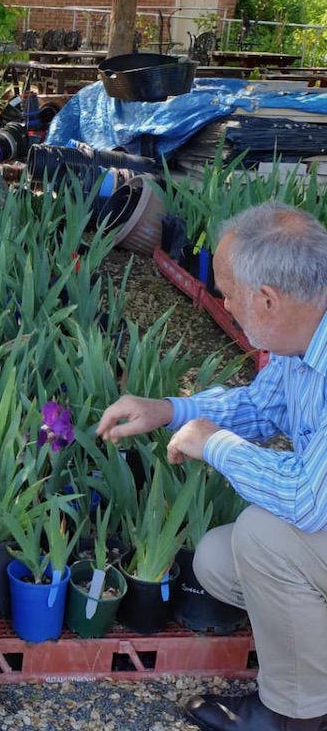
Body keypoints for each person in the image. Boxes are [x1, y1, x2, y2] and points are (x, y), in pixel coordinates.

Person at [96, 202, 327, 731]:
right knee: (220, 560)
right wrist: (168, 410)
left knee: (263, 538)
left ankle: (294, 717)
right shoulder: (302, 337)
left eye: (227, 295)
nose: (221, 304)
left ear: (267, 300)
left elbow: (309, 503)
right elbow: (260, 406)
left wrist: (214, 443)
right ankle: (310, 675)